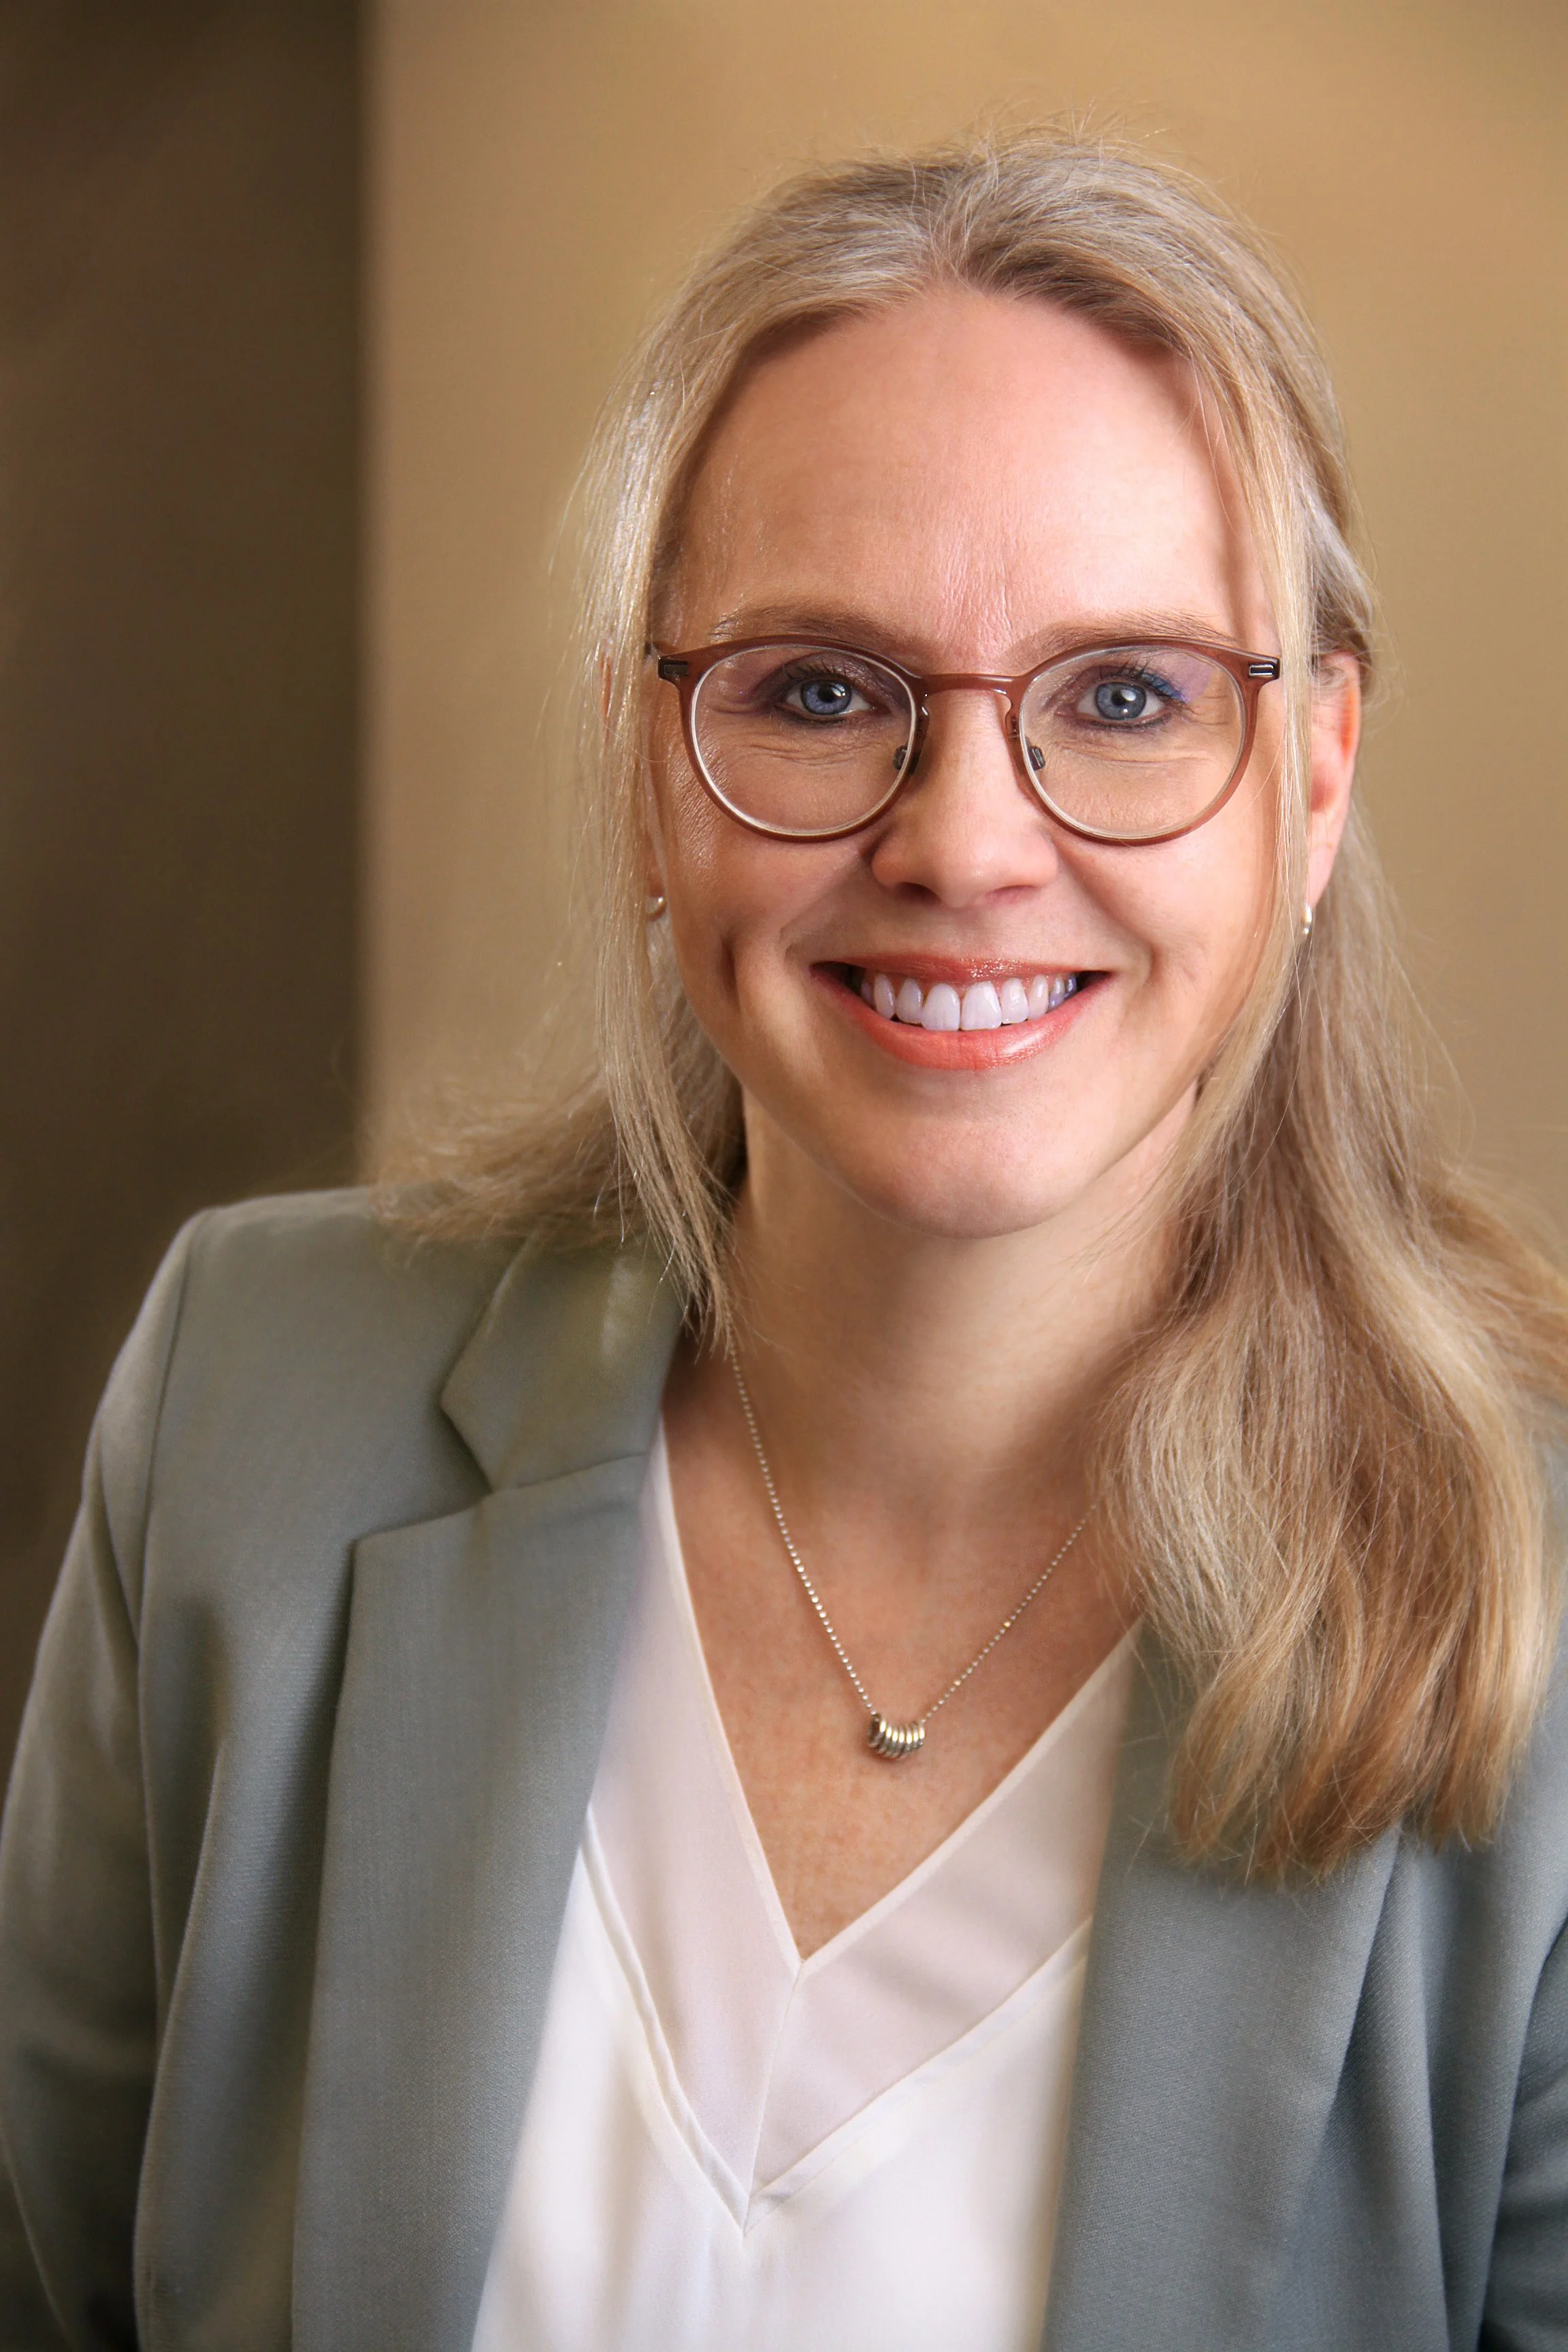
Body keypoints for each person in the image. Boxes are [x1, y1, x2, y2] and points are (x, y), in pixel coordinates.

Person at [2, 131, 1566, 2352]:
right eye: (821, 691)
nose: (964, 846)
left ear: (1311, 785)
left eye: (1123, 697)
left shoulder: (1548, 1623)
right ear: (658, 768)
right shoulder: (249, 1405)